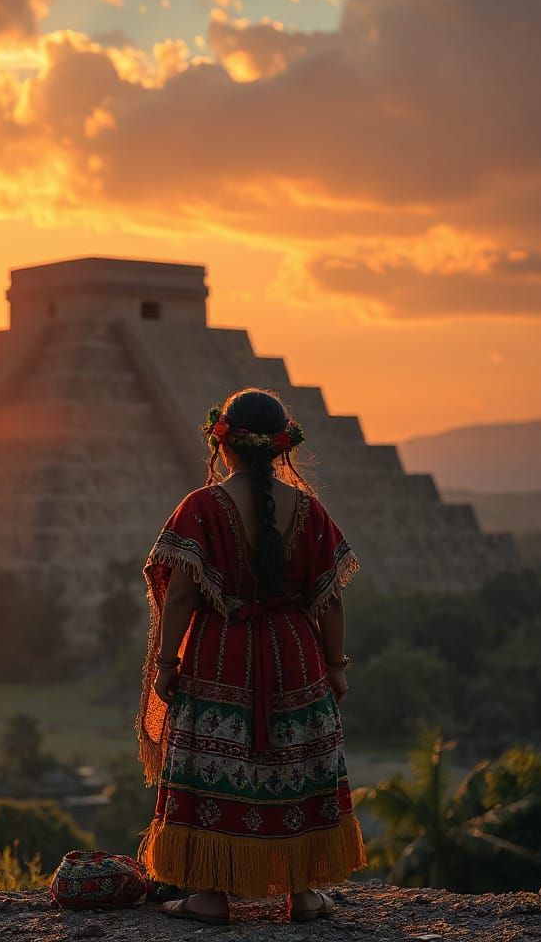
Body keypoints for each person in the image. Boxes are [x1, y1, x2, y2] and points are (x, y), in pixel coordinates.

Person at [135, 388, 367, 926]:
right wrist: (335, 665)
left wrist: (167, 664)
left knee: (217, 762)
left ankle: (211, 896)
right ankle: (304, 894)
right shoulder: (308, 510)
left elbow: (182, 595)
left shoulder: (201, 507)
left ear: (225, 444)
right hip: (295, 655)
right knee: (295, 762)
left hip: (221, 654)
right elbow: (329, 597)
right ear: (280, 447)